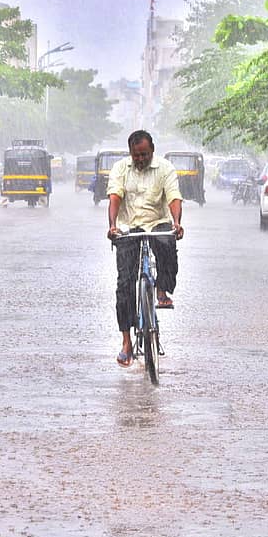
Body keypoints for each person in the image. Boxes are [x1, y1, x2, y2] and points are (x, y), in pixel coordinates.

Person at [106, 130, 184, 368]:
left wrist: (177, 222)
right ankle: (127, 342)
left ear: (153, 150)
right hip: (128, 226)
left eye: (145, 154)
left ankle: (162, 291)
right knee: (125, 285)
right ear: (130, 153)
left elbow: (173, 197)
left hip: (157, 222)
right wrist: (112, 226)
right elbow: (115, 197)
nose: (140, 159)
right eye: (136, 155)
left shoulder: (165, 168)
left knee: (168, 245)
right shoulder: (120, 168)